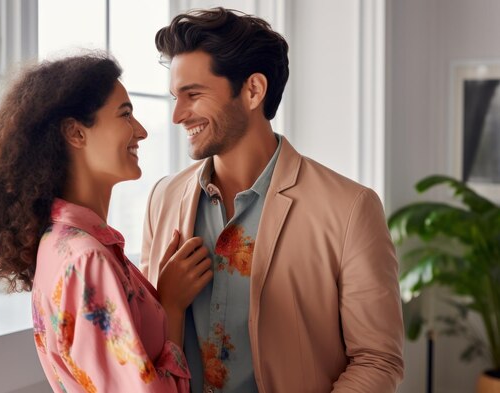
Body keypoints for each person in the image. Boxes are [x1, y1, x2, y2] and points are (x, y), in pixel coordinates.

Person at [140, 7, 404, 393]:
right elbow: (147, 341)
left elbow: (378, 359)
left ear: (253, 90)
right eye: (175, 97)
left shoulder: (350, 208)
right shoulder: (162, 199)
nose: (178, 114)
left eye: (193, 95)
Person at [0, 53, 213, 392]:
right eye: (125, 114)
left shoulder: (67, 243)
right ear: (75, 133)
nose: (141, 131)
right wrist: (170, 307)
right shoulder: (86, 259)